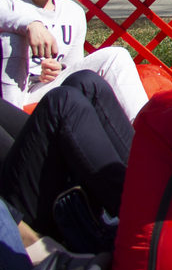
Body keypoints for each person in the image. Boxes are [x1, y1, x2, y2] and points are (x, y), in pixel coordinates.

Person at [1, 0, 148, 119]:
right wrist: (31, 24)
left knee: (115, 56)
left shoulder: (72, 12)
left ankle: (142, 127)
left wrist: (51, 73)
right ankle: (11, 119)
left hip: (44, 90)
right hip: (9, 97)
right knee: (11, 37)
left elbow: (73, 69)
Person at [0, 70, 130, 253]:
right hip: (13, 220)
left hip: (17, 185)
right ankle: (148, 214)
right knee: (62, 103)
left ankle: (158, 190)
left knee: (86, 83)